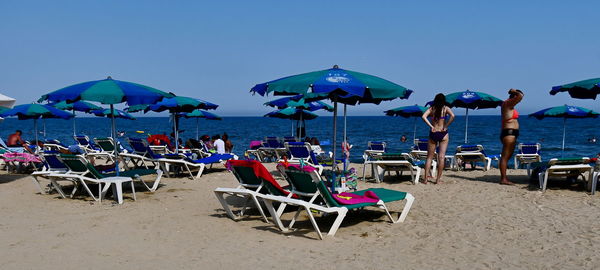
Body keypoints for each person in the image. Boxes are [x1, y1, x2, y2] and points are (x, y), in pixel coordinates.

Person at [421, 93, 455, 184]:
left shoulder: (432, 109)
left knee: (429, 158)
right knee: (441, 157)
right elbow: (453, 116)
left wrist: (431, 126)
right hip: (443, 133)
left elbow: (423, 116)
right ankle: (438, 180)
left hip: (434, 132)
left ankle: (425, 179)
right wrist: (446, 125)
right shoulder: (445, 108)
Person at [499, 88, 524, 185]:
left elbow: (520, 96)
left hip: (511, 134)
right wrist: (513, 91)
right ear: (514, 97)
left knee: (507, 156)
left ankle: (504, 177)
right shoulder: (508, 103)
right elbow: (521, 96)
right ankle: (503, 179)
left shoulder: (509, 105)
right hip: (508, 134)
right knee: (505, 157)